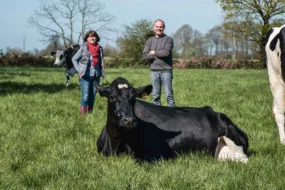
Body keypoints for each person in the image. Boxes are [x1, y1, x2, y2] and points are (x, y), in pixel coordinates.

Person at [142, 19, 175, 107]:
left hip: (166, 71)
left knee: (169, 95)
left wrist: (153, 52)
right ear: (154, 28)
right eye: (157, 27)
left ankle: (173, 115)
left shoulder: (169, 39)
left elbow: (166, 53)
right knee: (155, 96)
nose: (159, 28)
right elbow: (145, 56)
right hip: (154, 71)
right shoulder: (150, 41)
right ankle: (157, 116)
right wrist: (156, 55)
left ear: (164, 28)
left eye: (161, 27)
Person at [72, 30, 105, 115]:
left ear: (96, 38)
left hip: (95, 76)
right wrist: (79, 71)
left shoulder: (100, 49)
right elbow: (74, 59)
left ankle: (89, 115)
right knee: (85, 96)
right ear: (87, 38)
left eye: (93, 36)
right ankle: (83, 116)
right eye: (90, 37)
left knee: (92, 96)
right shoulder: (83, 48)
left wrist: (101, 72)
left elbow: (101, 62)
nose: (92, 38)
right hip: (85, 76)